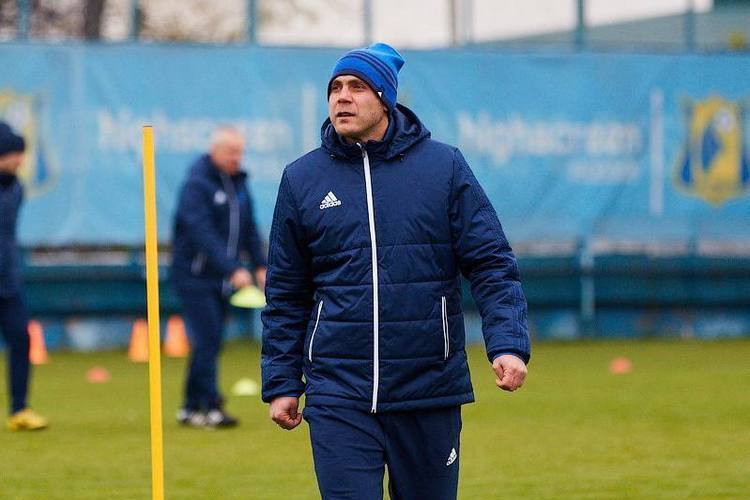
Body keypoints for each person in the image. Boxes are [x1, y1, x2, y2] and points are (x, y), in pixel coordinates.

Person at [261, 43, 530, 499]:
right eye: (335, 88)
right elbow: (286, 292)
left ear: (384, 97)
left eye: (357, 87)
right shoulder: (301, 178)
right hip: (338, 393)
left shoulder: (444, 167)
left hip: (429, 388)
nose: (342, 97)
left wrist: (507, 343)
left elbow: (491, 263)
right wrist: (282, 381)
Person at [171, 127, 267, 428]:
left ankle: (190, 407)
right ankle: (210, 406)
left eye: (240, 152)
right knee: (207, 341)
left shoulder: (239, 183)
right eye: (231, 152)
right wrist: (232, 268)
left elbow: (249, 227)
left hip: (222, 279)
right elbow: (201, 233)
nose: (237, 158)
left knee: (209, 341)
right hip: (195, 277)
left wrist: (260, 264)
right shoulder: (197, 184)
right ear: (215, 151)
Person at [0, 122, 48, 431]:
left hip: (8, 280)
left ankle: (20, 408)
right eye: (14, 154)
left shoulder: (16, 188)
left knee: (21, 338)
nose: (20, 160)